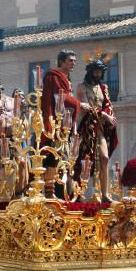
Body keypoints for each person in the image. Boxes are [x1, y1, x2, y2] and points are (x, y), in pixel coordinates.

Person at [40, 50, 88, 194]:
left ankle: (65, 191)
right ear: (61, 62)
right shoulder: (54, 76)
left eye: (74, 60)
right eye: (70, 60)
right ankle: (51, 191)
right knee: (54, 155)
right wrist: (79, 104)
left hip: (65, 123)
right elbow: (58, 97)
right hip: (55, 122)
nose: (73, 63)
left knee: (65, 156)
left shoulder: (66, 78)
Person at [75, 59, 118, 199]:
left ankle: (105, 194)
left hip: (100, 128)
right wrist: (105, 115)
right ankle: (81, 194)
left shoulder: (103, 88)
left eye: (100, 71)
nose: (98, 74)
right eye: (96, 71)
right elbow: (87, 107)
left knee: (104, 158)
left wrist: (110, 117)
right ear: (90, 71)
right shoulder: (81, 87)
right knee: (86, 160)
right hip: (87, 127)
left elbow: (108, 104)